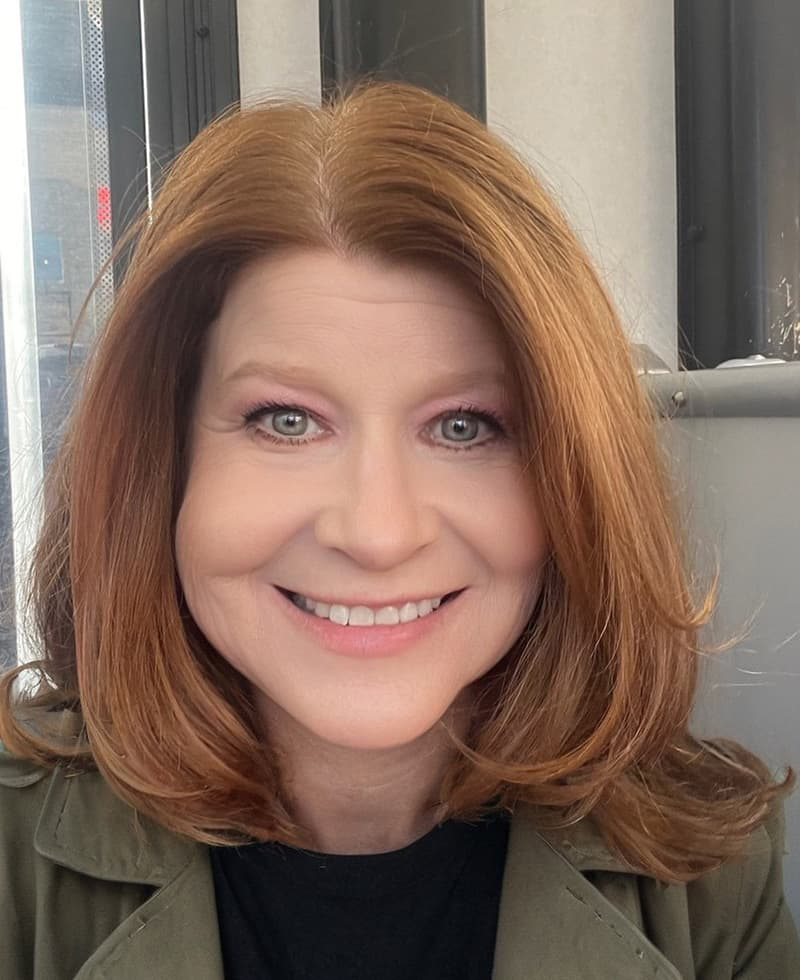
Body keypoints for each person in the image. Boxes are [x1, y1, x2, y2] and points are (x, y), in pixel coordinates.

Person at [0, 80, 797, 980]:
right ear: (165, 465)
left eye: (463, 426)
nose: (378, 534)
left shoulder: (710, 880)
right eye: (286, 421)